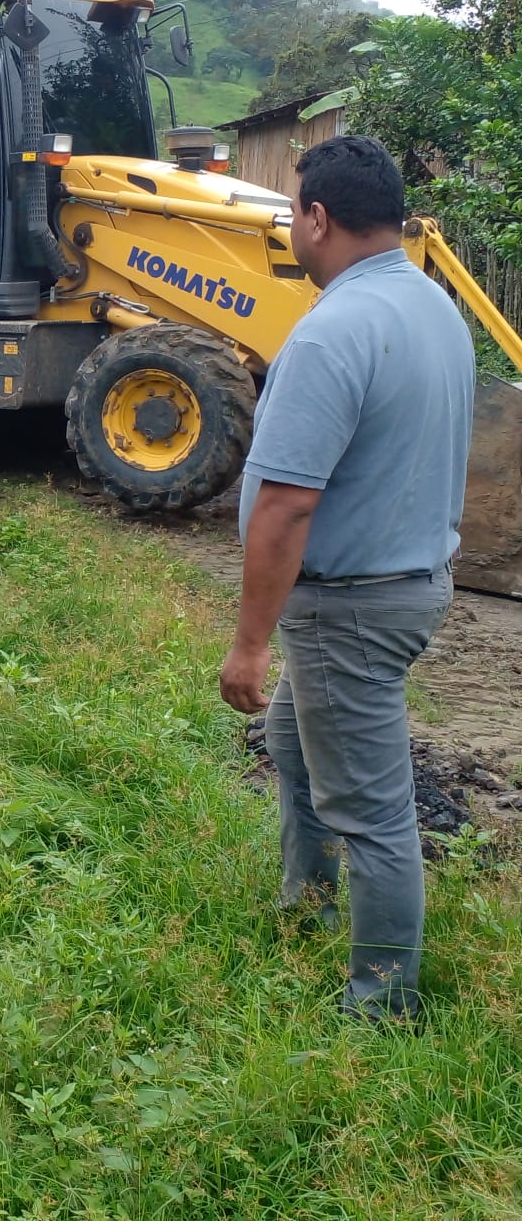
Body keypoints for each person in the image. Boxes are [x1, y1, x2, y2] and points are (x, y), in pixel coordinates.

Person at [219, 134, 474, 1024]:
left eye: (294, 213)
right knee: (294, 744)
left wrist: (250, 644)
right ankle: (307, 902)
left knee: (372, 811)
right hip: (407, 582)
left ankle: (383, 1004)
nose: (293, 227)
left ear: (319, 218)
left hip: (350, 604)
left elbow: (287, 505)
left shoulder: (333, 331)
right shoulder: (433, 308)